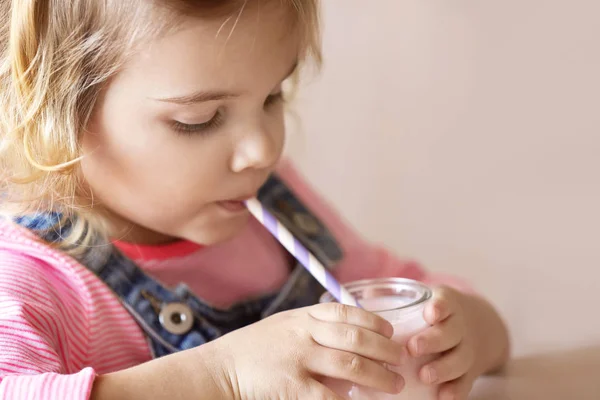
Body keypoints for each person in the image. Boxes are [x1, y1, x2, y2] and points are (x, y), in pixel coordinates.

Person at [0, 1, 510, 399]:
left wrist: (465, 334)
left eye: (272, 97)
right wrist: (222, 378)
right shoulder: (30, 278)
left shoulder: (271, 208)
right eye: (198, 121)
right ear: (51, 107)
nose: (263, 149)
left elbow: (414, 296)